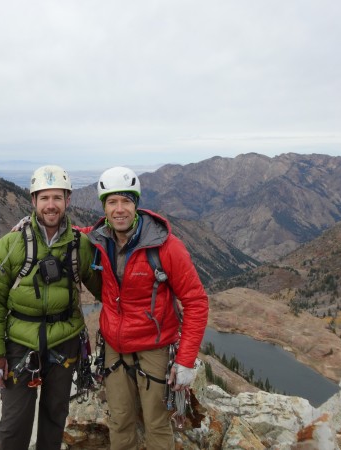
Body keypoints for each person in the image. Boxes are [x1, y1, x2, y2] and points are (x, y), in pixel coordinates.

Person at [0, 164, 102, 450]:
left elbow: (104, 289)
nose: (51, 205)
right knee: (14, 423)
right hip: (21, 346)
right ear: (33, 201)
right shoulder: (11, 245)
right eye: (44, 198)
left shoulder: (79, 245)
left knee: (55, 416)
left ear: (67, 201)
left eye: (57, 198)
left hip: (65, 344)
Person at [86, 166, 209, 449]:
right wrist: (30, 225)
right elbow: (70, 232)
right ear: (104, 207)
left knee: (156, 422)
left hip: (154, 346)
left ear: (136, 204)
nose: (119, 209)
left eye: (126, 201)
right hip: (115, 347)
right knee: (119, 419)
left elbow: (195, 301)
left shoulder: (165, 246)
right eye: (112, 202)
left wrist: (186, 360)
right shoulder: (99, 240)